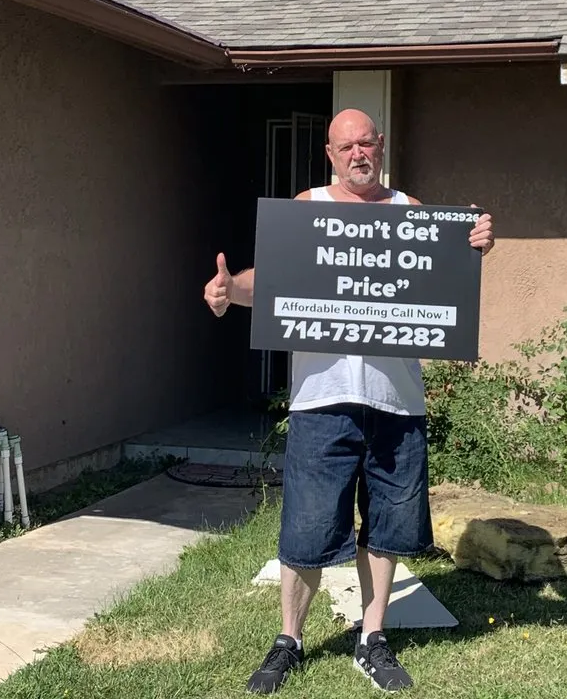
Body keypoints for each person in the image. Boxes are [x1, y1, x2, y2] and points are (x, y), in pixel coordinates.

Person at [203, 108, 494, 694]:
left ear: (379, 147)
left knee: (386, 525)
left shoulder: (407, 212)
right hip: (322, 400)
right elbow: (277, 280)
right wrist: (231, 291)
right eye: (346, 147)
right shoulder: (308, 208)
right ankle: (288, 640)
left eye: (366, 143)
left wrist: (472, 247)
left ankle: (374, 636)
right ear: (330, 156)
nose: (358, 154)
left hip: (396, 401)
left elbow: (444, 267)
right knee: (306, 528)